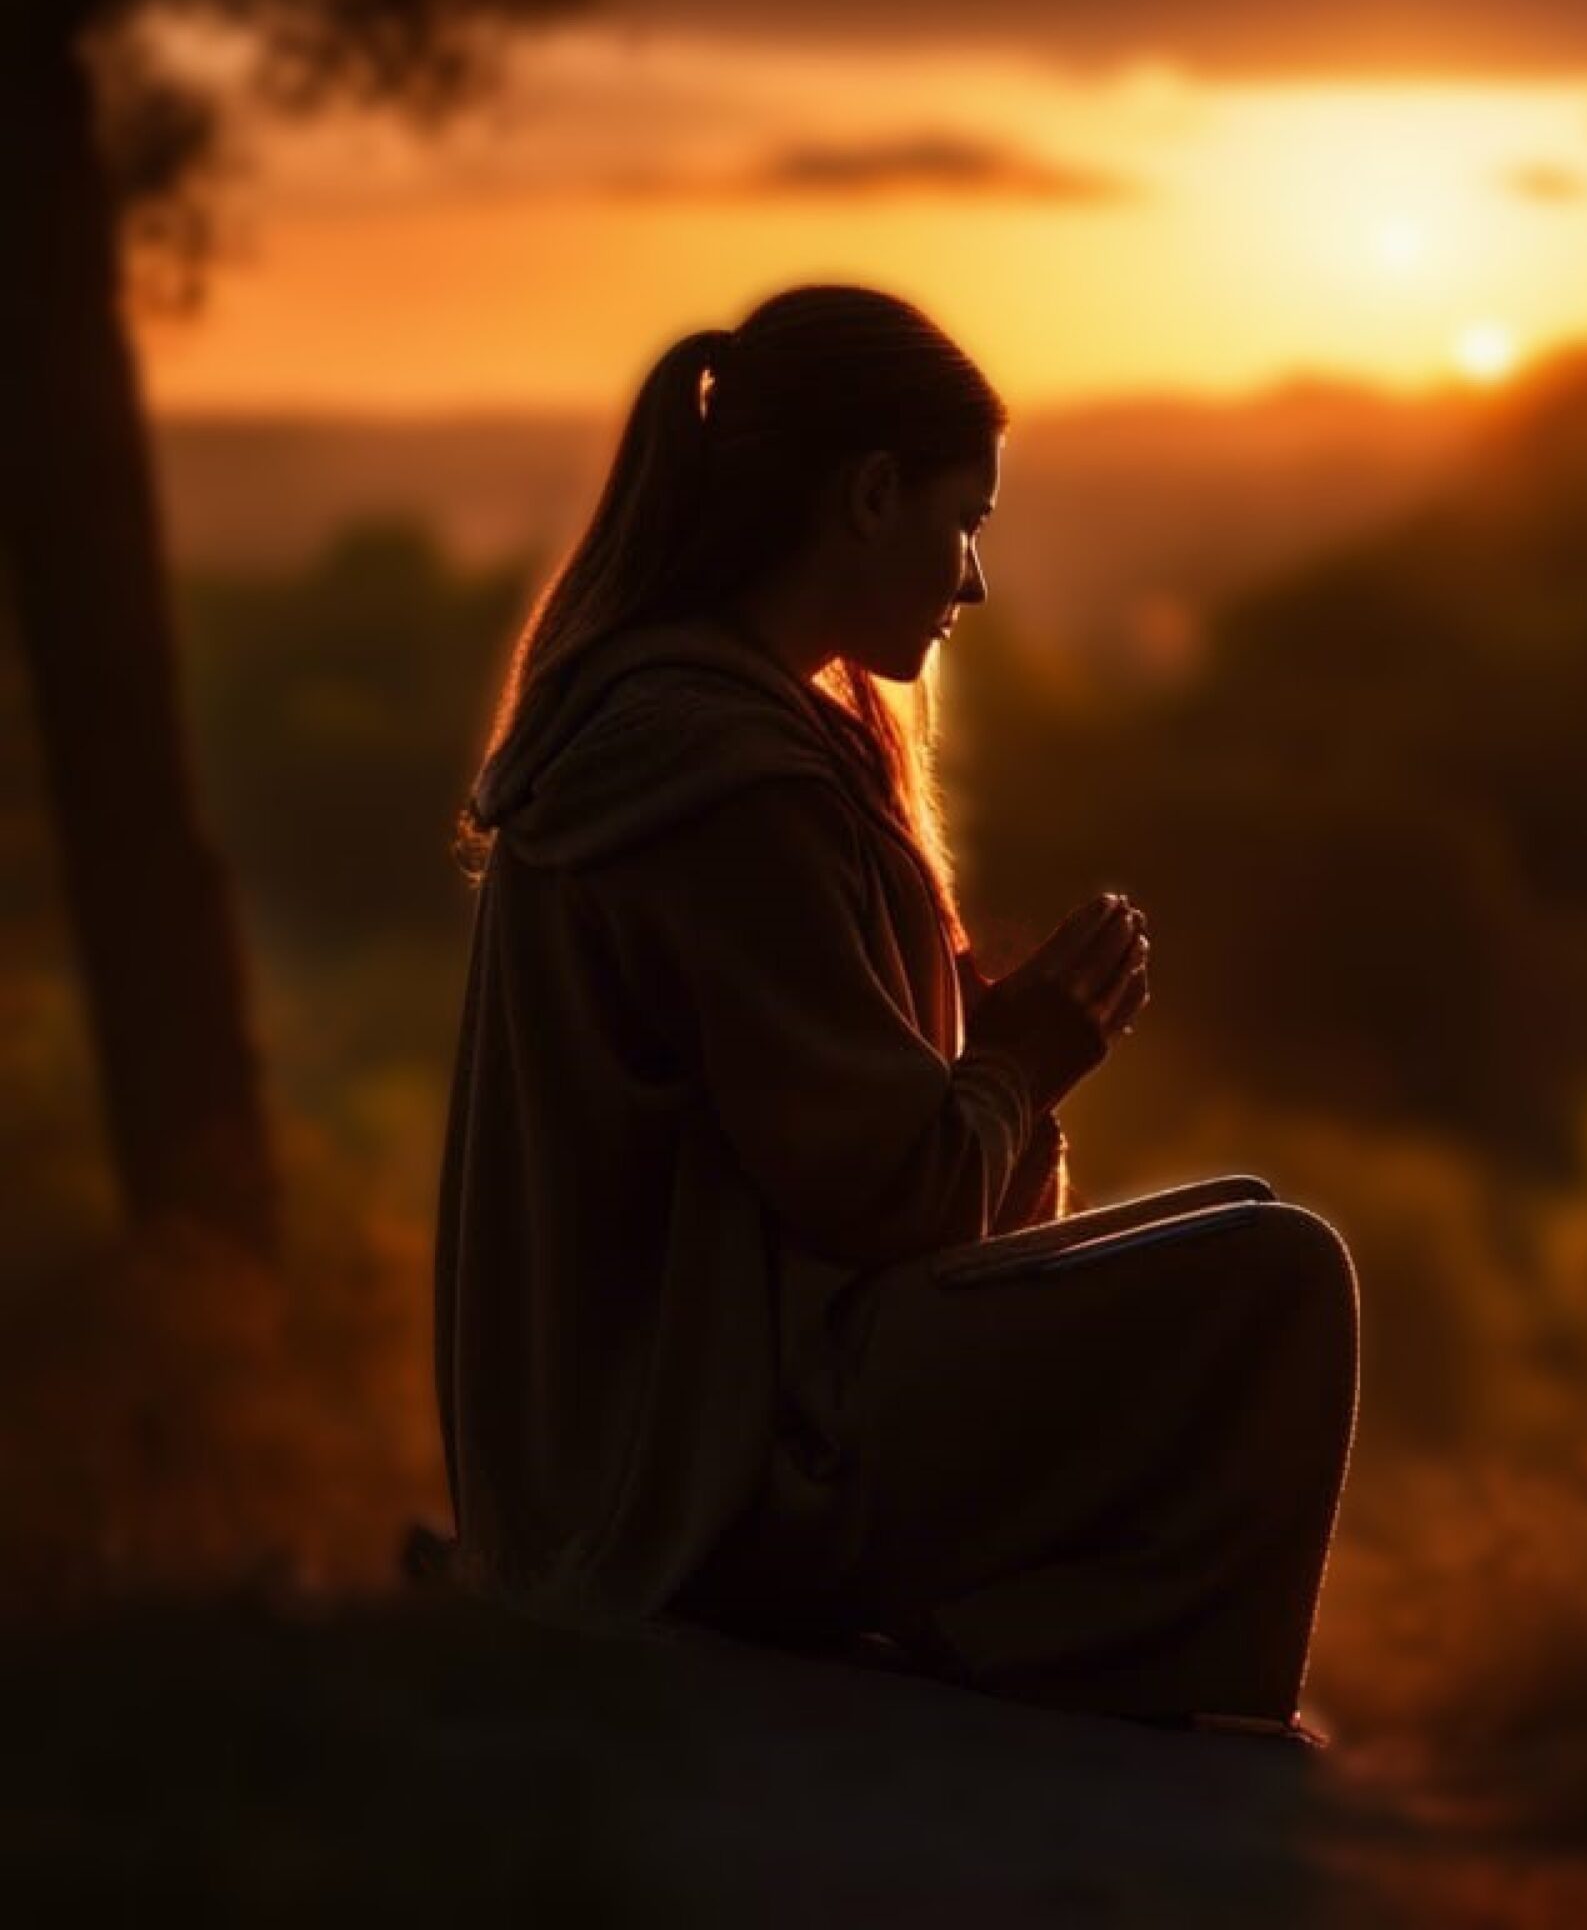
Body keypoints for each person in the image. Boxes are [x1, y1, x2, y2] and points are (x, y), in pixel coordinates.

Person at [434, 286, 1359, 1738]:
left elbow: (841, 1168)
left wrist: (971, 1059)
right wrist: (1018, 1070)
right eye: (963, 519)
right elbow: (894, 1203)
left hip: (645, 1445)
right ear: (867, 496)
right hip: (709, 1480)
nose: (973, 578)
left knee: (1235, 1213)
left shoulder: (667, 729)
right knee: (1279, 1277)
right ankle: (1081, 1662)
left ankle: (1032, 1641)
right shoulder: (734, 784)